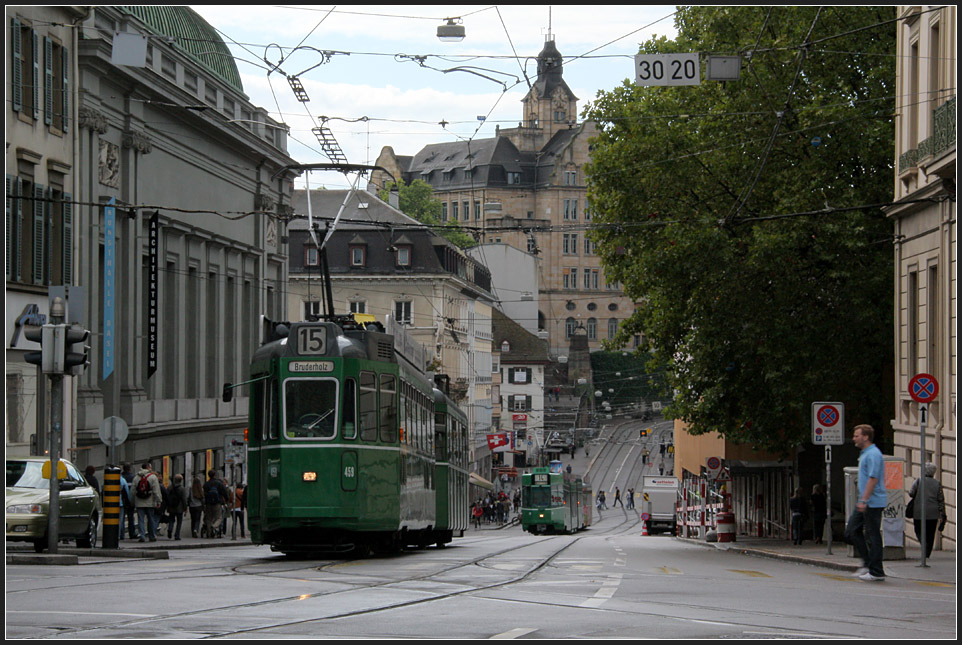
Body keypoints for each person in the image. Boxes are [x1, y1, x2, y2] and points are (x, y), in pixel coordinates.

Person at [845, 424, 886, 581]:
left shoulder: (873, 454)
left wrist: (864, 500)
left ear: (866, 437)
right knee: (851, 531)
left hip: (871, 501)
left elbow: (873, 478)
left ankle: (876, 571)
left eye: (856, 435)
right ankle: (868, 564)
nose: (854, 438)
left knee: (872, 535)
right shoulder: (866, 454)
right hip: (866, 501)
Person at [908, 463, 947, 558]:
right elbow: (940, 499)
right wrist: (942, 513)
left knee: (918, 530)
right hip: (933, 512)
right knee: (930, 533)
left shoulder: (918, 481)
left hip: (919, 511)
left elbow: (911, 493)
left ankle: (923, 544)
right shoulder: (937, 483)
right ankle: (927, 552)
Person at [132, 462, 162, 542]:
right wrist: (158, 501)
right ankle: (151, 536)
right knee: (151, 519)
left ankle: (142, 535)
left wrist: (132, 501)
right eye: (151, 467)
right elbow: (156, 491)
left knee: (140, 519)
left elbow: (132, 491)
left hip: (139, 502)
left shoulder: (136, 477)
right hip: (150, 502)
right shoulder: (153, 477)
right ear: (148, 467)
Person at [202, 469, 230, 538]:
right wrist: (226, 500)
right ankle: (214, 526)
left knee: (208, 518)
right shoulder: (219, 483)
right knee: (219, 517)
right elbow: (225, 493)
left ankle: (209, 533)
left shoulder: (206, 484)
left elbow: (204, 494)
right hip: (217, 503)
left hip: (208, 503)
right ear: (214, 475)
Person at [166, 474, 189, 540]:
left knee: (171, 519)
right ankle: (177, 535)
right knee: (179, 521)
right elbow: (184, 499)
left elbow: (167, 497)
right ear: (181, 480)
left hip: (171, 507)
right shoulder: (182, 488)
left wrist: (167, 506)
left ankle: (170, 529)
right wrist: (185, 508)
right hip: (179, 507)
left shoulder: (170, 487)